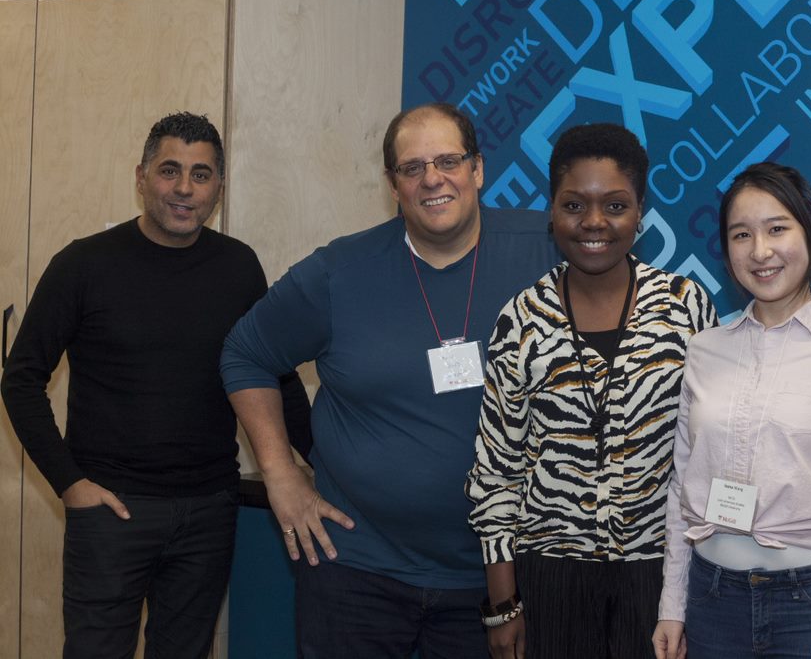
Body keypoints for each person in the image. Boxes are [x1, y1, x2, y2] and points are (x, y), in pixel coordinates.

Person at [220, 102, 560, 658]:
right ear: (392, 184)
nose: (433, 178)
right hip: (355, 574)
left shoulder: (547, 250)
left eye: (449, 160)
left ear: (478, 169)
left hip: (501, 576)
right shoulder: (339, 273)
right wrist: (280, 474)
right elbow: (244, 353)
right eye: (413, 167)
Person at [0, 112, 311, 659]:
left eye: (201, 173)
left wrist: (325, 462)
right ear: (141, 176)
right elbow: (21, 379)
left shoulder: (239, 267)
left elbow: (275, 374)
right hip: (111, 511)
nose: (185, 188)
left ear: (219, 184)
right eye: (170, 170)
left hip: (210, 509)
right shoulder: (83, 264)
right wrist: (70, 484)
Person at [467, 124, 718, 659]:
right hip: (550, 575)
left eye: (616, 205)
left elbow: (714, 445)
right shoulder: (521, 320)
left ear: (641, 210)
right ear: (551, 212)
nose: (595, 223)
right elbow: (497, 474)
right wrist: (503, 605)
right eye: (575, 205)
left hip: (660, 573)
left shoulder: (685, 307)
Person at [652, 163, 811, 659]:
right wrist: (672, 605)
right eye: (742, 235)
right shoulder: (704, 349)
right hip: (712, 599)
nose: (760, 252)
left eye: (777, 228)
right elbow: (680, 487)